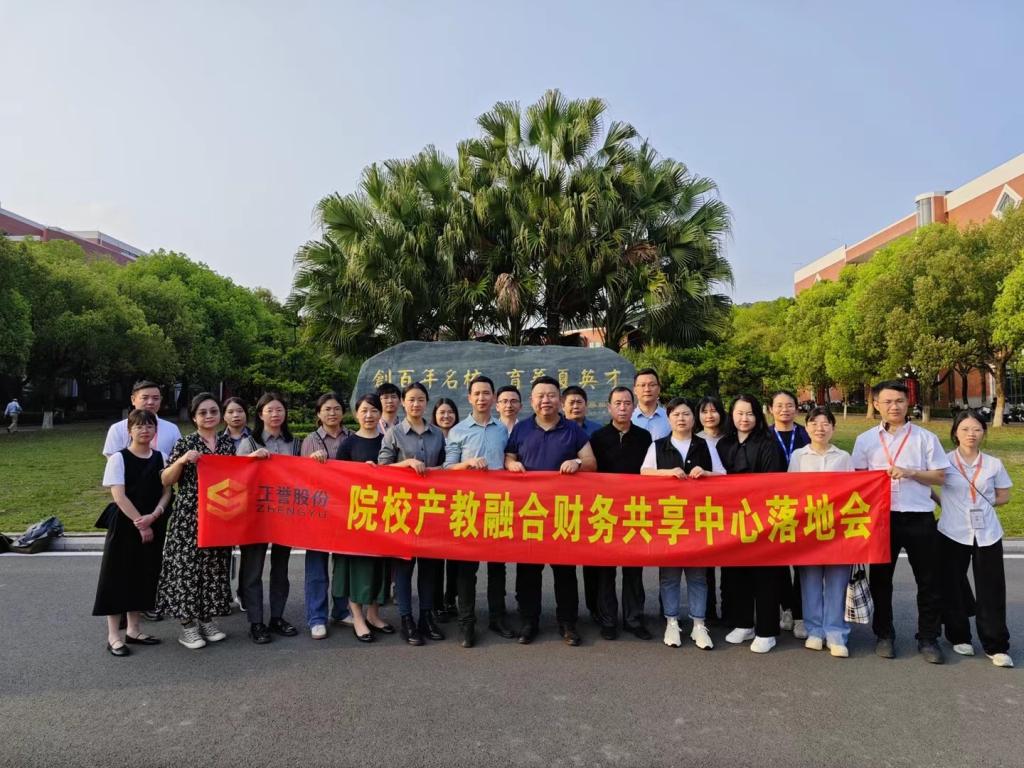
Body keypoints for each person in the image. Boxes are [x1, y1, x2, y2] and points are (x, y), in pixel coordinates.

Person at [852, 380, 949, 664]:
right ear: (876, 404)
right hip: (882, 519)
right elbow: (857, 479)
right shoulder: (865, 440)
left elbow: (940, 476)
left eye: (899, 401)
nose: (894, 406)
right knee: (881, 580)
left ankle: (928, 638)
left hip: (920, 516)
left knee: (929, 581)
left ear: (908, 404)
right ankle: (884, 635)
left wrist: (911, 472)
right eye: (887, 401)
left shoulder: (925, 438)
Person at [505, 376, 597, 646]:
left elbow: (591, 462)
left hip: (562, 513)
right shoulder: (521, 429)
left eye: (551, 395)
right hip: (530, 512)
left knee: (565, 572)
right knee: (528, 571)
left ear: (560, 400)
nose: (546, 400)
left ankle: (567, 623)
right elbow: (509, 456)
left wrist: (577, 462)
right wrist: (510, 465)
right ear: (531, 401)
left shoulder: (573, 429)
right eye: (540, 396)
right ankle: (528, 622)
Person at [156, 392, 235, 650]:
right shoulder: (186, 443)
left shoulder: (227, 444)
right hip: (189, 515)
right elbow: (166, 479)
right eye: (203, 412)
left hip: (218, 514)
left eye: (213, 411)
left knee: (213, 566)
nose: (209, 416)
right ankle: (187, 625)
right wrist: (181, 461)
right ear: (194, 417)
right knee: (186, 567)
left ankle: (206, 619)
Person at [936, 409, 1013, 668]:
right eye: (965, 429)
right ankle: (959, 636)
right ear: (955, 433)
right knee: (952, 585)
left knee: (991, 589)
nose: (971, 434)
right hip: (952, 531)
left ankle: (996, 645)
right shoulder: (944, 462)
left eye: (977, 429)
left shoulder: (993, 464)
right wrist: (944, 503)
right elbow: (928, 486)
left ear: (984, 433)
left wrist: (985, 502)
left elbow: (1004, 495)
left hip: (987, 532)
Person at [444, 375, 516, 646]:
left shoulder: (502, 430)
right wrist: (468, 464)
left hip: (498, 505)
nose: (482, 398)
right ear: (469, 398)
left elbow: (509, 458)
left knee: (498, 567)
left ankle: (497, 617)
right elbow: (447, 468)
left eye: (486, 393)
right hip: (469, 506)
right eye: (477, 393)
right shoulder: (458, 431)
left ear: (493, 397)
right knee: (467, 569)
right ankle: (466, 623)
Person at [93, 409, 172, 656]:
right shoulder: (119, 458)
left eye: (149, 426)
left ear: (155, 430)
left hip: (154, 521)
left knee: (144, 574)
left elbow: (167, 491)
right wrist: (141, 523)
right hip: (126, 524)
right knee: (117, 576)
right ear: (129, 430)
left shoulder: (161, 457)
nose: (144, 430)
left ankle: (134, 630)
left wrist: (154, 515)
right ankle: (113, 635)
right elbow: (119, 495)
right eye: (139, 426)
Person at [640, 397, 717, 650]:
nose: (681, 419)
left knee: (698, 576)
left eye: (686, 414)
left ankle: (699, 624)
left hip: (698, 520)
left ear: (693, 418)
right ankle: (671, 621)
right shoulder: (658, 446)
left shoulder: (704, 445)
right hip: (668, 520)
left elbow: (723, 475)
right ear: (669, 418)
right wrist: (667, 473)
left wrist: (706, 473)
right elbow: (644, 473)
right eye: (676, 414)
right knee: (670, 576)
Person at [716, 394, 787, 653]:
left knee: (764, 576)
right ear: (731, 416)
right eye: (739, 413)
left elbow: (772, 483)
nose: (744, 418)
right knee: (737, 574)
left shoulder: (768, 444)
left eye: (749, 413)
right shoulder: (724, 444)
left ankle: (767, 630)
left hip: (761, 518)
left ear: (757, 416)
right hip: (732, 519)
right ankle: (744, 623)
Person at [379, 382, 447, 645]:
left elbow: (446, 467)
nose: (416, 404)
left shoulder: (437, 434)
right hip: (403, 510)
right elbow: (381, 469)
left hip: (431, 510)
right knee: (404, 568)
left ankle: (426, 617)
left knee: (429, 568)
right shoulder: (394, 433)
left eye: (420, 400)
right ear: (403, 403)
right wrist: (406, 463)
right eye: (411, 400)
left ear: (426, 403)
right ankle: (406, 619)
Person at [588, 386, 652, 641]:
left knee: (633, 570)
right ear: (609, 407)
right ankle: (608, 620)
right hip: (605, 511)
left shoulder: (644, 437)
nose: (623, 407)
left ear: (634, 407)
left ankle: (634, 619)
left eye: (627, 403)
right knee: (605, 571)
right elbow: (590, 471)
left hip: (635, 510)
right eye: (618, 403)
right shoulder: (598, 437)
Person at [788, 407, 854, 658]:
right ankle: (815, 630)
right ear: (806, 428)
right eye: (814, 423)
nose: (820, 428)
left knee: (837, 582)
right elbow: (790, 491)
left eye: (826, 423)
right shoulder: (798, 456)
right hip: (808, 529)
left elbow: (854, 491)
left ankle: (836, 633)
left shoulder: (844, 457)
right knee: (810, 582)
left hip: (837, 530)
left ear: (833, 428)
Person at [235, 393, 300, 644]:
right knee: (253, 571)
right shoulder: (248, 443)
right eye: (270, 410)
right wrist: (250, 460)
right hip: (256, 516)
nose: (275, 414)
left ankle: (277, 617)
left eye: (279, 410)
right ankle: (256, 622)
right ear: (260, 414)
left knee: (281, 570)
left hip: (286, 514)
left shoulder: (295, 444)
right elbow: (236, 477)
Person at [334, 394, 394, 643]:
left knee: (379, 566)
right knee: (355, 567)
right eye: (364, 411)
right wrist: (360, 473)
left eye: (374, 411)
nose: (369, 416)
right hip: (355, 516)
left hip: (383, 514)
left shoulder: (387, 441)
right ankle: (357, 617)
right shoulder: (348, 444)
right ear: (356, 414)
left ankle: (373, 614)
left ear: (380, 414)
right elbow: (336, 480)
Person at [300, 391, 352, 638]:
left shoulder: (352, 437)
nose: (332, 413)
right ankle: (317, 617)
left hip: (346, 510)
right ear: (318, 414)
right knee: (316, 567)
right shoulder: (310, 440)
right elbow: (301, 476)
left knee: (343, 565)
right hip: (318, 511)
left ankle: (341, 610)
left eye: (336, 408)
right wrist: (311, 461)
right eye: (327, 409)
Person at [770, 390, 811, 639]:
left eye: (789, 405)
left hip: (804, 507)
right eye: (779, 405)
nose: (784, 410)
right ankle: (786, 607)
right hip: (773, 507)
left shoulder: (807, 434)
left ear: (796, 408)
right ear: (771, 409)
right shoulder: (764, 435)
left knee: (802, 563)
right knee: (778, 563)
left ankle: (800, 614)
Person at [696, 395, 727, 624]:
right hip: (703, 508)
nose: (709, 416)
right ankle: (707, 611)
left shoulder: (730, 439)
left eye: (713, 410)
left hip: (728, 506)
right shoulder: (694, 440)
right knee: (704, 564)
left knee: (729, 562)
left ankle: (729, 610)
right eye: (704, 411)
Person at [431, 396, 460, 622]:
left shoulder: (461, 434)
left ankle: (451, 599)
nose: (446, 416)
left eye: (450, 412)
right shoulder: (431, 437)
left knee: (456, 558)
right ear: (435, 416)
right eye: (441, 412)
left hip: (458, 503)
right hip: (435, 504)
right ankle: (436, 603)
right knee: (435, 558)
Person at [102, 380, 182, 458]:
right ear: (133, 400)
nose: (150, 402)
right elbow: (113, 461)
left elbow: (179, 459)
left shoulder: (172, 429)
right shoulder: (117, 429)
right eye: (145, 398)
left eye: (155, 398)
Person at [631, 368, 670, 440]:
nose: (647, 389)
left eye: (652, 385)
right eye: (643, 385)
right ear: (635, 390)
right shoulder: (628, 419)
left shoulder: (670, 418)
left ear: (659, 389)